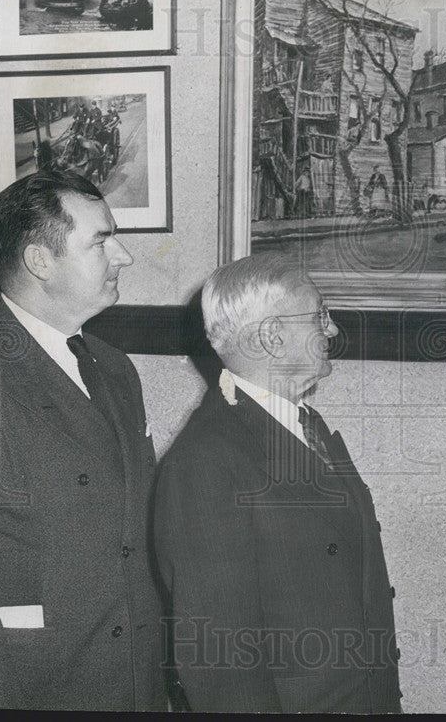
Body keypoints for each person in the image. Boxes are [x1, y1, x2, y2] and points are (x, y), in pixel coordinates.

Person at [0, 170, 166, 710]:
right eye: (101, 241)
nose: (124, 257)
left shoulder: (115, 371)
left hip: (128, 686)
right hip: (31, 691)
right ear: (40, 262)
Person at [154, 254, 402, 713]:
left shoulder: (305, 424)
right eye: (319, 315)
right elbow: (220, 662)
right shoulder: (207, 461)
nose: (330, 330)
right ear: (272, 336)